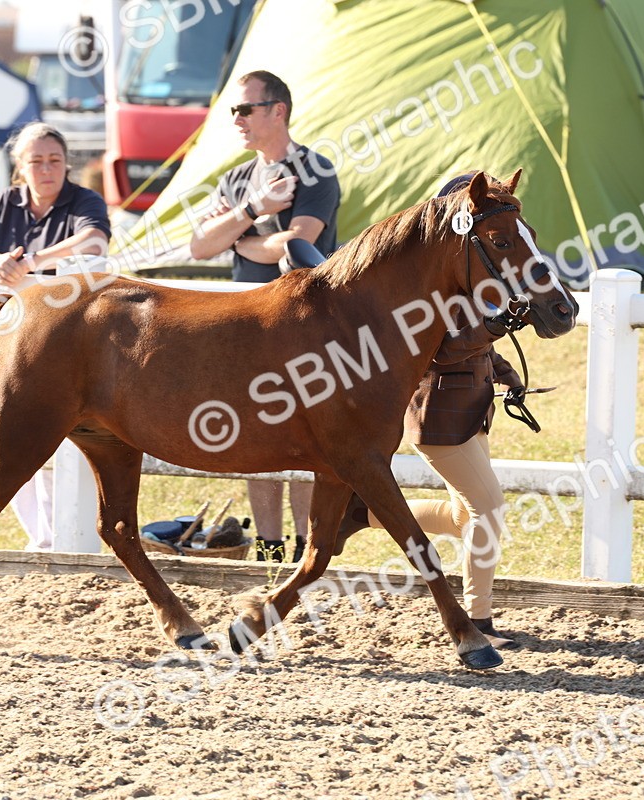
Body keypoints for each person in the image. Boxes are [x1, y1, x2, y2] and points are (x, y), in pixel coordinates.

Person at [334, 174, 526, 649]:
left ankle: (363, 514)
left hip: (473, 408)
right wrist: (493, 331)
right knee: (490, 508)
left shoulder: (468, 273)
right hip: (439, 415)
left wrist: (503, 369)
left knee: (465, 516)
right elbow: (437, 353)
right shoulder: (427, 288)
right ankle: (478, 621)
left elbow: (474, 345)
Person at [189, 70, 341, 563]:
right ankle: (269, 553)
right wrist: (252, 208)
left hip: (303, 327)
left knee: (302, 439)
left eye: (245, 109)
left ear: (278, 111)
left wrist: (237, 236)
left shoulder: (315, 170)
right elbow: (199, 246)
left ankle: (304, 552)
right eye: (233, 110)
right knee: (255, 436)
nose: (235, 119)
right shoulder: (237, 181)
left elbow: (298, 245)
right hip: (245, 327)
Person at [0, 121, 111, 550]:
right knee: (8, 439)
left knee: (52, 434)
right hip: (6, 342)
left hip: (65, 345)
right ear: (20, 167)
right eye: (36, 161)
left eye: (55, 160)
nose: (46, 169)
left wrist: (34, 260)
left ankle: (59, 538)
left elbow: (94, 241)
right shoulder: (5, 203)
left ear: (66, 164)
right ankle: (43, 538)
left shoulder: (83, 200)